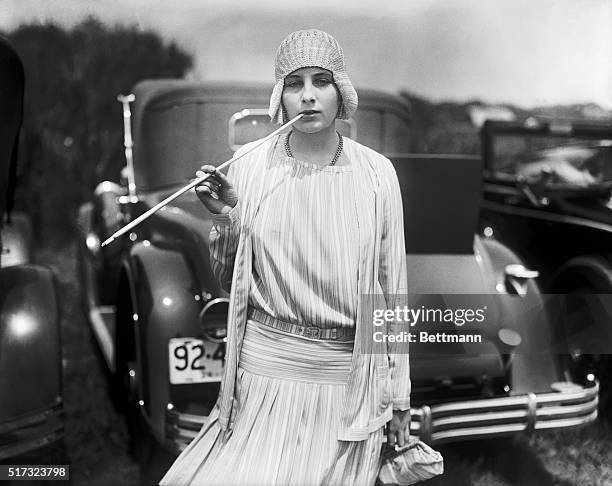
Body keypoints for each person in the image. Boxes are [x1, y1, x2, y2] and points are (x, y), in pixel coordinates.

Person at [160, 28, 411, 486]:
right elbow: (227, 281)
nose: (309, 97)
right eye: (295, 84)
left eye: (321, 81)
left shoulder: (378, 174)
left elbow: (391, 297)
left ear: (342, 92)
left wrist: (398, 399)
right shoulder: (251, 166)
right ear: (280, 96)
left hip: (345, 389)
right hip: (264, 383)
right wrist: (228, 217)